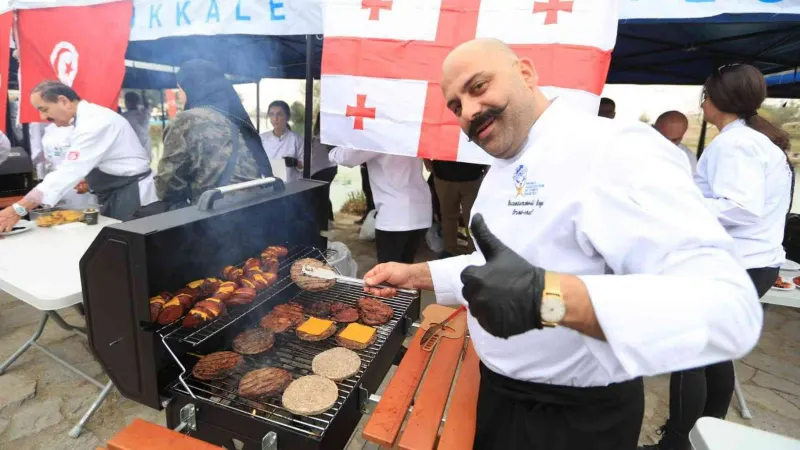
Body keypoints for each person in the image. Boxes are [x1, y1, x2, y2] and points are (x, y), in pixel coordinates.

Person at [362, 38, 762, 450]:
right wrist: (415, 273)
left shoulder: (615, 149)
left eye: (478, 87)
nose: (469, 111)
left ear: (526, 73)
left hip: (574, 418)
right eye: (456, 106)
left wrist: (550, 298)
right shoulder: (502, 167)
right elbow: (494, 270)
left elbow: (724, 309)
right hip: (499, 392)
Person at [642, 64, 792, 450]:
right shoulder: (751, 141)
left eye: (704, 97)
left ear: (717, 101)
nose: (703, 103)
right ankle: (707, 435)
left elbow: (741, 208)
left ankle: (676, 442)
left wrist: (680, 205)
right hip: (751, 263)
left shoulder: (735, 144)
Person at [0, 80, 158, 230]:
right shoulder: (86, 119)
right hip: (117, 193)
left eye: (44, 109)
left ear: (63, 101)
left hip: (132, 195)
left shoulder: (94, 123)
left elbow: (67, 171)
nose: (43, 117)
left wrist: (18, 210)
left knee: (132, 249)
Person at [154, 59, 273, 207]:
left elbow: (167, 186)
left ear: (190, 87)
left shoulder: (185, 120)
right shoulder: (234, 117)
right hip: (256, 207)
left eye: (179, 88)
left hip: (217, 216)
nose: (179, 95)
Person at [329, 147, 432, 264]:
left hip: (394, 214)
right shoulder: (409, 131)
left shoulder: (378, 136)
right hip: (420, 210)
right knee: (405, 269)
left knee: (388, 275)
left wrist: (331, 147)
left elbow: (347, 158)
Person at [429, 159, 486, 257]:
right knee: (470, 217)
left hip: (447, 174)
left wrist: (431, 166)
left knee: (450, 216)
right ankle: (473, 252)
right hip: (470, 174)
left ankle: (451, 251)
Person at [39, 123, 97, 209]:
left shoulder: (85, 128)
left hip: (80, 185)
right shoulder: (50, 130)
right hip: (58, 183)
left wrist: (90, 184)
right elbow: (49, 159)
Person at [260, 100, 302, 183]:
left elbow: (305, 167)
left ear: (287, 117)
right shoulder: (262, 138)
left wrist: (295, 162)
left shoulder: (297, 139)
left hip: (290, 186)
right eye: (272, 114)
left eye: (279, 114)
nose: (275, 118)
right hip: (268, 184)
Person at [308, 112, 338, 228]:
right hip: (318, 168)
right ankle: (327, 218)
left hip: (326, 167)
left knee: (321, 194)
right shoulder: (317, 133)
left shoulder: (329, 133)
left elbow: (332, 149)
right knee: (322, 194)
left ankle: (326, 221)